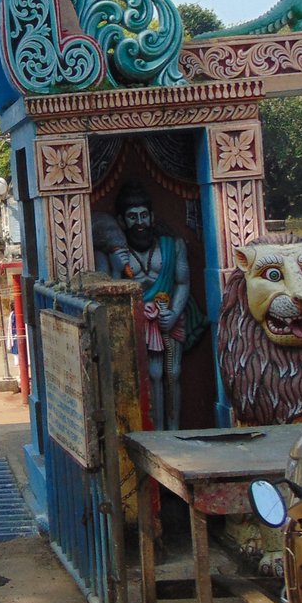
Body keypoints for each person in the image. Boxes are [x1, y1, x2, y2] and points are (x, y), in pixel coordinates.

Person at [102, 182, 194, 431]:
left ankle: (173, 430)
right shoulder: (118, 252)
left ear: (152, 217)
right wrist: (118, 269)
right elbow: (111, 290)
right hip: (138, 321)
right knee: (152, 373)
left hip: (169, 316)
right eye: (133, 217)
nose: (140, 222)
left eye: (143, 215)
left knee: (172, 373)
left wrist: (174, 313)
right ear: (122, 221)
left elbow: (183, 282)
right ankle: (156, 431)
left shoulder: (172, 246)